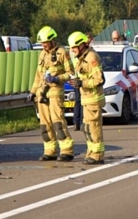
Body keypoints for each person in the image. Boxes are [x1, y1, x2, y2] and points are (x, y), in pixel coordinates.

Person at [30, 26, 75, 162]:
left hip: (55, 93)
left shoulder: (62, 53)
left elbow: (71, 73)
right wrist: (33, 92)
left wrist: (57, 79)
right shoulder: (42, 54)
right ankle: (50, 151)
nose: (43, 45)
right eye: (41, 43)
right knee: (45, 125)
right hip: (42, 94)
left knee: (58, 123)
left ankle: (67, 151)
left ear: (52, 40)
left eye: (45, 42)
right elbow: (38, 76)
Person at [68, 31, 105, 165]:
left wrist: (82, 83)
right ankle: (91, 152)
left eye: (74, 47)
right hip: (87, 100)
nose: (72, 50)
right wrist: (77, 81)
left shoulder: (91, 58)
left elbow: (99, 80)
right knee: (88, 129)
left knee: (94, 129)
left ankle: (97, 155)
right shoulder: (82, 58)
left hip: (93, 100)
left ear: (82, 45)